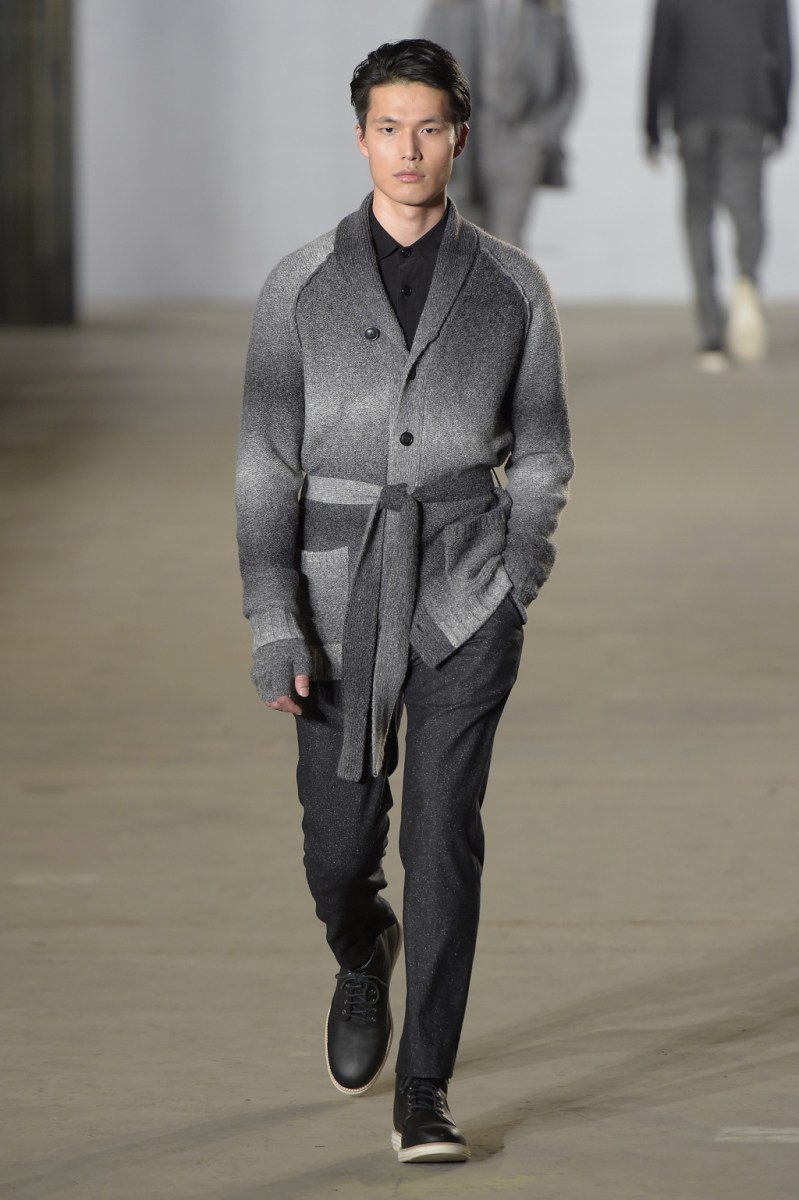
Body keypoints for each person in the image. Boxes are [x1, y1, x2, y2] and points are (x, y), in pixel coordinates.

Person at [235, 38, 572, 1164]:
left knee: (441, 836)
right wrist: (272, 617)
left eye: (429, 128)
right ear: (361, 138)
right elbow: (264, 464)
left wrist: (515, 578)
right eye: (389, 128)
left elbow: (544, 451)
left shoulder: (512, 286)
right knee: (336, 849)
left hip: (466, 589)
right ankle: (357, 947)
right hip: (335, 594)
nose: (409, 149)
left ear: (458, 138)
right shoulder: (299, 286)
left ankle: (424, 1086)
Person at [645, 0, 793, 372]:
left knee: (698, 216)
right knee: (747, 208)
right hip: (747, 107)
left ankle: (711, 337)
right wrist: (780, 117)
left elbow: (660, 54)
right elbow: (782, 48)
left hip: (692, 110)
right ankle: (746, 280)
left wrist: (651, 125)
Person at [422, 0, 581, 247]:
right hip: (463, 139)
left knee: (508, 242)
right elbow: (423, 76)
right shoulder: (449, 7)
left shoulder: (546, 9)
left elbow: (570, 82)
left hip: (521, 141)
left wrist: (539, 134)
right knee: (464, 237)